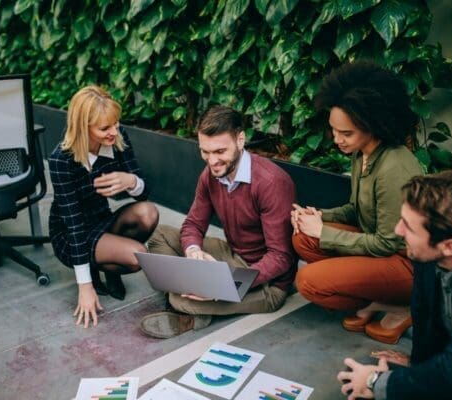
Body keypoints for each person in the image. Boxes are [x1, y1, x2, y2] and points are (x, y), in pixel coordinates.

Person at [291, 61, 423, 344]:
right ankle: (378, 299)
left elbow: (389, 243)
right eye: (334, 130)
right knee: (303, 238)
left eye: (346, 133)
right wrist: (318, 217)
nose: (337, 140)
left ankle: (400, 304)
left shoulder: (394, 167)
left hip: (406, 265)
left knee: (308, 281)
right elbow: (356, 209)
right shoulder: (361, 152)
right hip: (380, 250)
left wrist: (323, 232)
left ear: (373, 125)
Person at [139, 105, 297, 338]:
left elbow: (281, 257)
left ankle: (189, 310)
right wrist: (193, 252)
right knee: (159, 233)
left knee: (179, 298)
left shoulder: (271, 183)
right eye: (205, 151)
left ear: (240, 140)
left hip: (268, 285)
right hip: (232, 255)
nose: (212, 161)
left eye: (220, 151)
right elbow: (193, 224)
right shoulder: (211, 175)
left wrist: (226, 286)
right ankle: (194, 292)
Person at [337, 171, 452, 399]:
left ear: (449, 246)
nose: (397, 230)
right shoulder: (428, 255)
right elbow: (425, 315)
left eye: (408, 226)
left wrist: (374, 381)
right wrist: (418, 368)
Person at [48, 85, 158, 328]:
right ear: (83, 127)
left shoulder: (117, 138)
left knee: (148, 213)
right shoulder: (60, 160)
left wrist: (131, 181)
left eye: (116, 123)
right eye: (105, 128)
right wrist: (84, 286)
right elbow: (73, 223)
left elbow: (144, 193)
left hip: (102, 218)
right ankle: (97, 269)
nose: (114, 131)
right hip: (70, 232)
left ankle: (111, 268)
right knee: (138, 257)